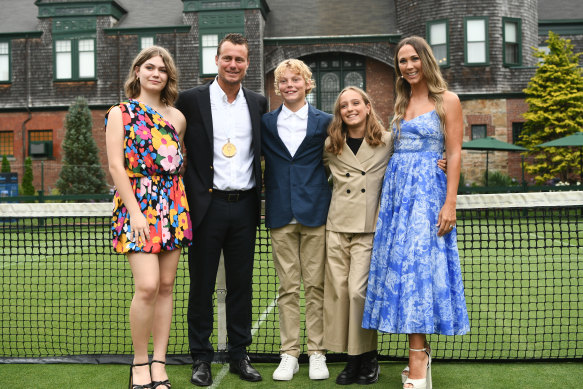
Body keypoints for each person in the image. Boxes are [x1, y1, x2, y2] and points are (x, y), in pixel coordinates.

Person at [362, 36, 470, 389]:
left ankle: (418, 360)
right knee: (402, 272)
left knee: (420, 272)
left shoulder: (447, 101)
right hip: (396, 199)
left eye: (413, 59)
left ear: (425, 60)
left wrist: (450, 202)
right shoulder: (400, 101)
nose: (408, 66)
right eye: (402, 61)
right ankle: (418, 357)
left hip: (428, 196)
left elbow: (454, 153)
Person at [175, 33, 268, 386]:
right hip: (205, 207)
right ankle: (200, 357)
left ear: (247, 64)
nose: (233, 65)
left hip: (245, 207)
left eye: (240, 60)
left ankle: (239, 354)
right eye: (227, 58)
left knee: (241, 285)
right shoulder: (190, 100)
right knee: (201, 285)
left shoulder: (257, 103)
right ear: (216, 60)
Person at [105, 45, 192, 389]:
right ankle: (139, 364)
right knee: (147, 286)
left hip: (172, 204)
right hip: (136, 204)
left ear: (168, 76)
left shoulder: (177, 118)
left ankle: (159, 363)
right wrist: (137, 214)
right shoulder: (120, 113)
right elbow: (115, 166)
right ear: (137, 71)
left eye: (163, 69)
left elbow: (173, 162)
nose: (156, 73)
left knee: (167, 287)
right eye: (150, 67)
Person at [261, 59, 332, 382]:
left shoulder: (326, 121)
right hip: (279, 212)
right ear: (278, 87)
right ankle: (289, 353)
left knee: (316, 286)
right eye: (284, 81)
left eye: (296, 80)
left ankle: (317, 352)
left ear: (307, 83)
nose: (290, 85)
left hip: (317, 212)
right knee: (287, 288)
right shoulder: (265, 123)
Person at [322, 86, 392, 385]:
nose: (349, 109)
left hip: (367, 228)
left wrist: (438, 162)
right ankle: (350, 360)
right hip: (336, 225)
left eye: (355, 103)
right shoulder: (331, 144)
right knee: (337, 294)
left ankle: (367, 357)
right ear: (339, 113)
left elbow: (410, 162)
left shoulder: (387, 141)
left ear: (367, 106)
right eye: (343, 106)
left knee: (357, 293)